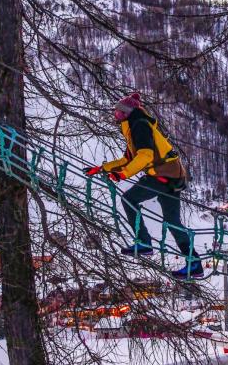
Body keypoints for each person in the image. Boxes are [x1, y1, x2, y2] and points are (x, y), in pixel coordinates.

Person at [87, 92, 205, 280]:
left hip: (162, 174)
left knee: (129, 199)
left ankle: (144, 243)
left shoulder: (139, 126)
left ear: (127, 113)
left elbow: (145, 156)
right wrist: (102, 168)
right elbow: (127, 159)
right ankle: (195, 263)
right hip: (173, 176)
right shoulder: (136, 126)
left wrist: (122, 174)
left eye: (118, 113)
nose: (115, 116)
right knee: (172, 222)